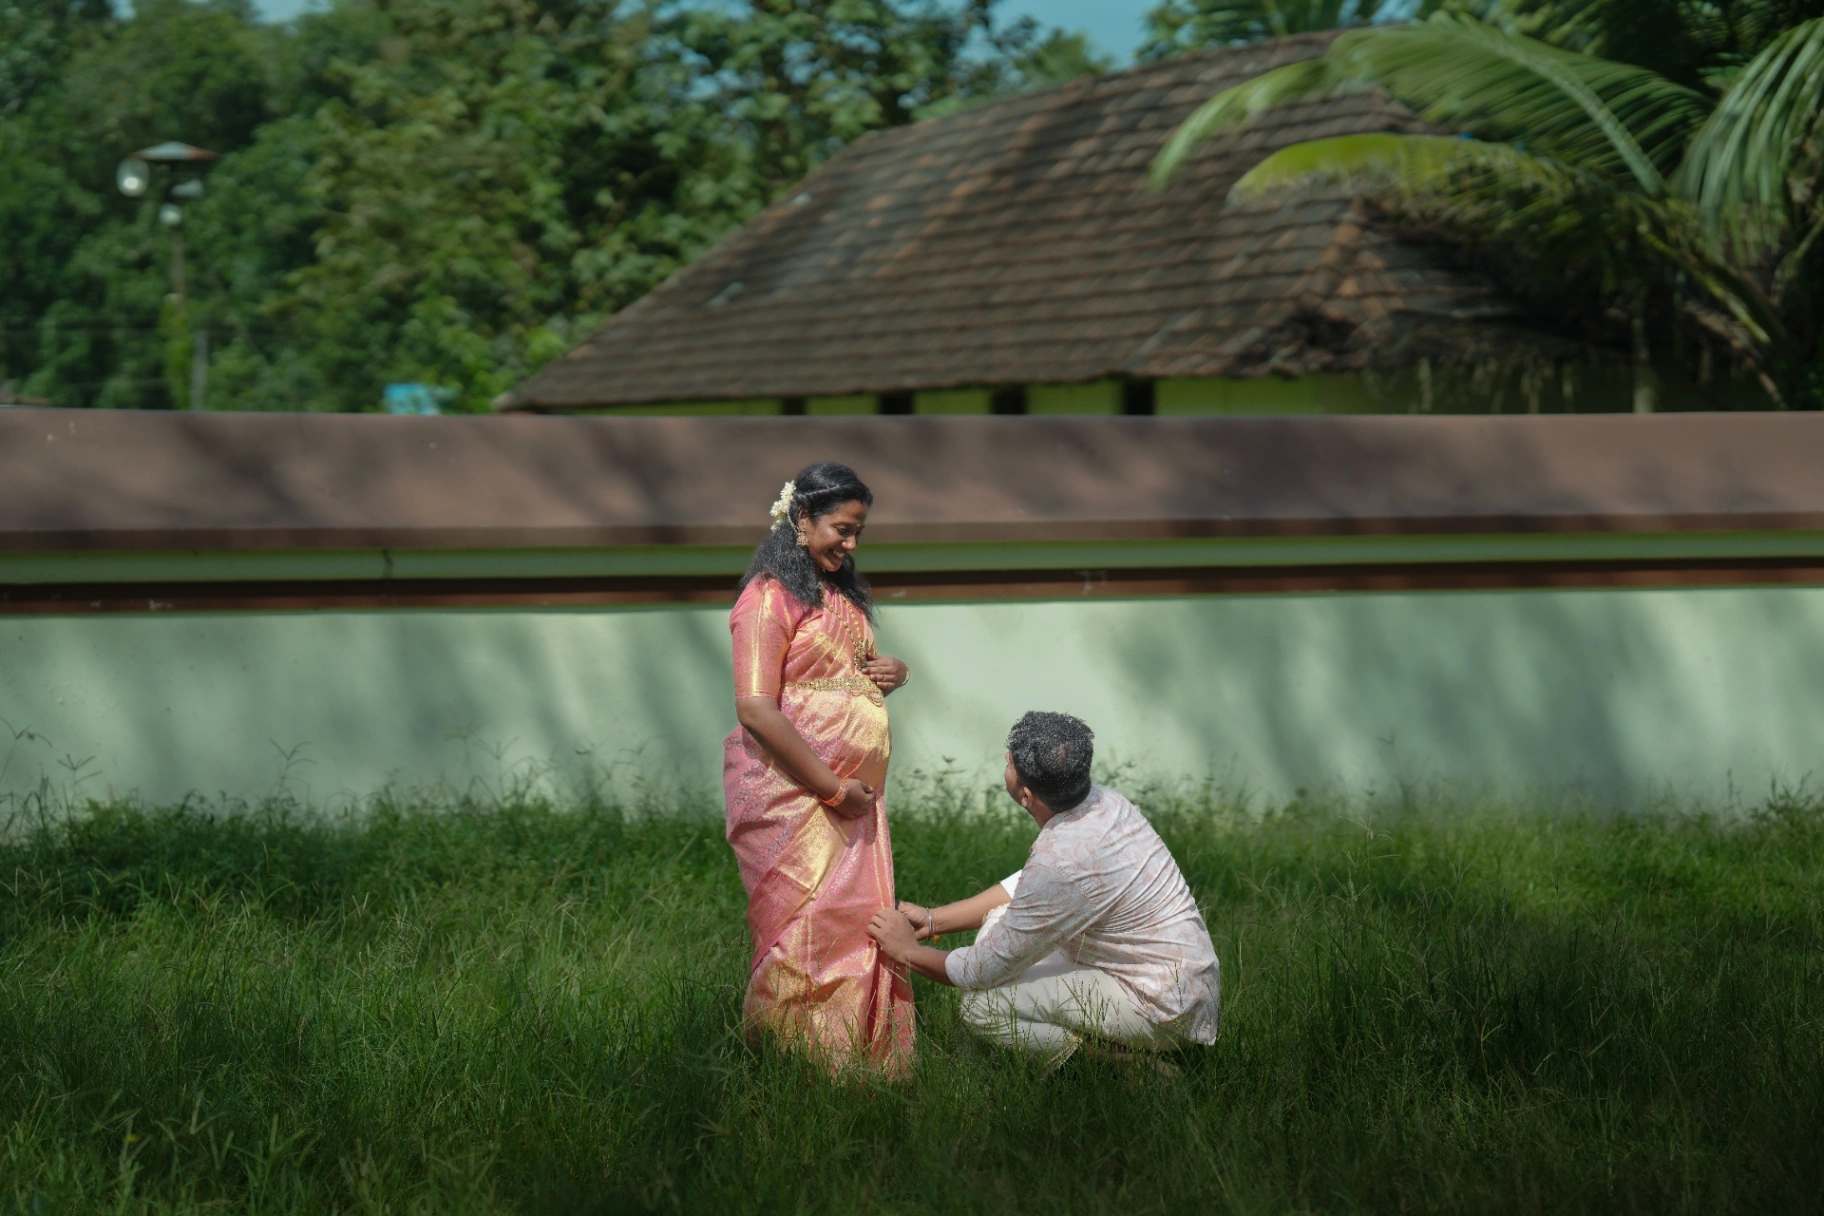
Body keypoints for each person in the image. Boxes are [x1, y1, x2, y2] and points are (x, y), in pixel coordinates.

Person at [868, 712, 1219, 1066]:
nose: (1005, 762)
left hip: (1162, 1009)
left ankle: (1124, 1063)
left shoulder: (1060, 862)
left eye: (1009, 764)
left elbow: (979, 972)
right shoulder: (1104, 802)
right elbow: (1031, 887)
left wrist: (906, 951)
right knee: (1001, 920)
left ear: (1025, 794)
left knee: (981, 1006)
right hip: (1186, 985)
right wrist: (933, 921)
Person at [724, 461, 915, 1074]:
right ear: (800, 519)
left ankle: (861, 1060)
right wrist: (832, 788)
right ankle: (794, 1065)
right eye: (841, 528)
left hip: (853, 800)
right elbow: (756, 707)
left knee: (855, 926)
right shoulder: (766, 598)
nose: (852, 543)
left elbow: (836, 677)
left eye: (859, 531)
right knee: (804, 928)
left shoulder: (837, 597)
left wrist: (890, 673)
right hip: (795, 798)